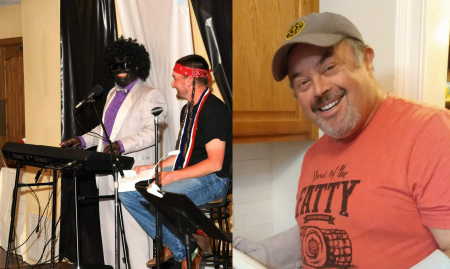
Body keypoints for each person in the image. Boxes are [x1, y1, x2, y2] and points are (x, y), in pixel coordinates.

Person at [266, 12, 450, 268]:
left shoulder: (430, 131)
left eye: (329, 68)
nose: (319, 89)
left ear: (366, 60)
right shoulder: (313, 156)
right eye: (304, 83)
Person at [60, 37, 168, 267]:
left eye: (126, 64)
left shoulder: (150, 94)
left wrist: (122, 144)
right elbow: (105, 130)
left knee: (135, 232)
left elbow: (153, 132)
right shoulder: (111, 93)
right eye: (116, 65)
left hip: (132, 171)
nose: (121, 70)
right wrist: (81, 140)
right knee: (109, 232)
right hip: (105, 170)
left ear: (138, 66)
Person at [118, 54, 232, 269]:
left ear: (189, 80)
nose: (172, 84)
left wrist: (172, 176)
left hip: (214, 180)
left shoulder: (214, 111)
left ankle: (181, 250)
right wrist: (153, 168)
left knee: (157, 194)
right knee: (127, 193)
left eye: (175, 78)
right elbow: (182, 154)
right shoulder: (187, 110)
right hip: (190, 174)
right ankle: (182, 246)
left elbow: (215, 164)